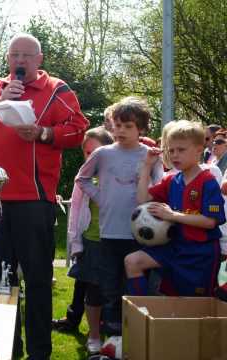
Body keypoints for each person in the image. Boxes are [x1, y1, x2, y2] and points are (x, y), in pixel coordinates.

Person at [0, 33, 89, 359]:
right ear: (8, 59)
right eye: (14, 55)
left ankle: (39, 352)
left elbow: (78, 129)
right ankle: (7, 348)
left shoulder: (57, 89)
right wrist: (0, 101)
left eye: (26, 55)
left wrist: (43, 133)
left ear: (39, 59)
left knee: (36, 281)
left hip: (35, 200)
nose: (19, 61)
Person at [76, 96, 163, 346]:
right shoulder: (102, 154)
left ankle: (136, 339)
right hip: (110, 233)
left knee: (134, 289)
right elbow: (81, 179)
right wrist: (101, 197)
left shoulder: (150, 155)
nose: (121, 131)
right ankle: (113, 341)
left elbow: (160, 186)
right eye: (117, 125)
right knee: (110, 290)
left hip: (140, 234)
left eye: (128, 126)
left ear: (142, 129)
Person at [125, 120, 224, 299]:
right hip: (173, 247)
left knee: (194, 306)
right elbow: (142, 200)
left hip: (199, 254)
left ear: (199, 150)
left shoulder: (207, 181)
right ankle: (141, 315)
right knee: (133, 261)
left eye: (181, 150)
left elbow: (210, 222)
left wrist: (173, 215)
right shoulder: (171, 180)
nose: (175, 155)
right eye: (171, 150)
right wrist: (147, 166)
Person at [53, 127, 114, 354]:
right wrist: (75, 243)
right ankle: (94, 336)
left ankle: (115, 334)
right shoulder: (84, 177)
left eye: (95, 152)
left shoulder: (121, 173)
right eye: (87, 153)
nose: (91, 157)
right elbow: (76, 213)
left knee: (115, 292)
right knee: (94, 291)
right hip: (93, 241)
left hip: (117, 240)